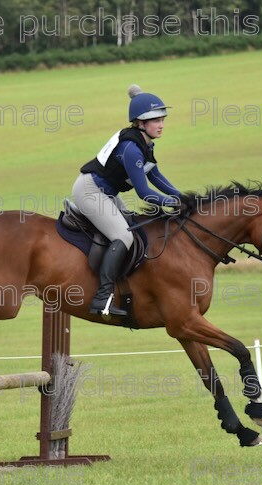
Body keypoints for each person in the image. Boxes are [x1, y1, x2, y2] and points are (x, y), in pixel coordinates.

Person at [73, 84, 183, 318]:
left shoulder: (145, 144)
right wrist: (173, 203)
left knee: (133, 227)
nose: (161, 125)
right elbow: (144, 192)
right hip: (90, 191)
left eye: (162, 119)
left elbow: (156, 176)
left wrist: (184, 199)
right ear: (141, 123)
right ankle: (102, 298)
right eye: (155, 120)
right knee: (123, 235)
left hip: (106, 193)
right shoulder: (131, 149)